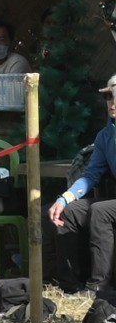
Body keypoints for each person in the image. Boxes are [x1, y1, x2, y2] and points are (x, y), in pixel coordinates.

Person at [50, 75, 116, 299]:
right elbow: (91, 174)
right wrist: (65, 198)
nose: (112, 102)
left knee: (101, 211)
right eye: (108, 97)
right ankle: (69, 286)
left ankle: (99, 287)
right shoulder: (105, 135)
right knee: (68, 211)